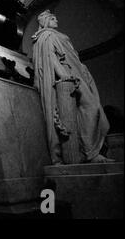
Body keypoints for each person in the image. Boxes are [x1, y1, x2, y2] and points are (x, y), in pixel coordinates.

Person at [32, 10, 113, 164]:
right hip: (69, 77)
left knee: (91, 110)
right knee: (91, 107)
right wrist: (63, 76)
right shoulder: (47, 36)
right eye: (53, 18)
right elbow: (50, 58)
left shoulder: (55, 34)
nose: (56, 21)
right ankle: (90, 152)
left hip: (78, 74)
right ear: (46, 22)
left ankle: (88, 152)